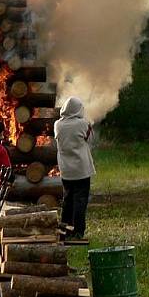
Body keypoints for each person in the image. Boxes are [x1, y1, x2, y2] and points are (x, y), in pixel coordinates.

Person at [53, 96, 95, 240]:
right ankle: (78, 231)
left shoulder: (57, 124)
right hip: (82, 169)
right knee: (80, 201)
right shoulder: (83, 124)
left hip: (66, 170)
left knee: (67, 201)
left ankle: (65, 231)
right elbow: (90, 139)